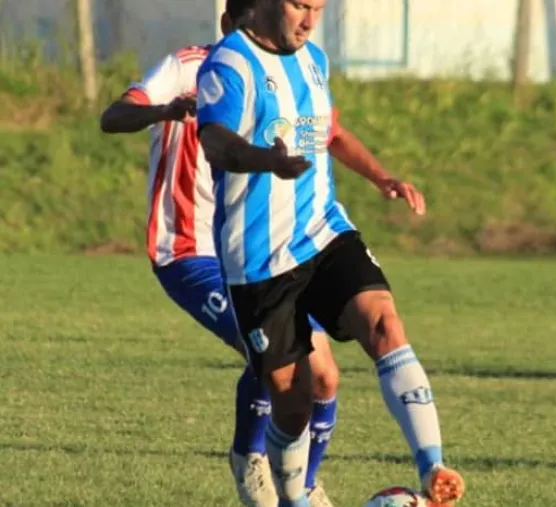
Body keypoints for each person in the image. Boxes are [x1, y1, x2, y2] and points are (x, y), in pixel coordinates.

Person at [195, 0, 465, 505]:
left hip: (322, 230)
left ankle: (432, 465)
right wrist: (266, 161)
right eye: (300, 5)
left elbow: (329, 131)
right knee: (294, 400)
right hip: (259, 259)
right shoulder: (228, 64)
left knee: (384, 322)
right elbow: (216, 144)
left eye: (318, 7)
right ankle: (295, 498)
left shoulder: (313, 59)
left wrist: (382, 175)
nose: (310, 19)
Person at [99, 1, 340, 506]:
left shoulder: (281, 72)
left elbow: (327, 134)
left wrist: (379, 176)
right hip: (188, 251)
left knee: (322, 372)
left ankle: (307, 486)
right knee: (271, 355)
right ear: (231, 23)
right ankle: (249, 459)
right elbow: (113, 116)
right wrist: (164, 110)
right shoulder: (187, 67)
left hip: (259, 247)